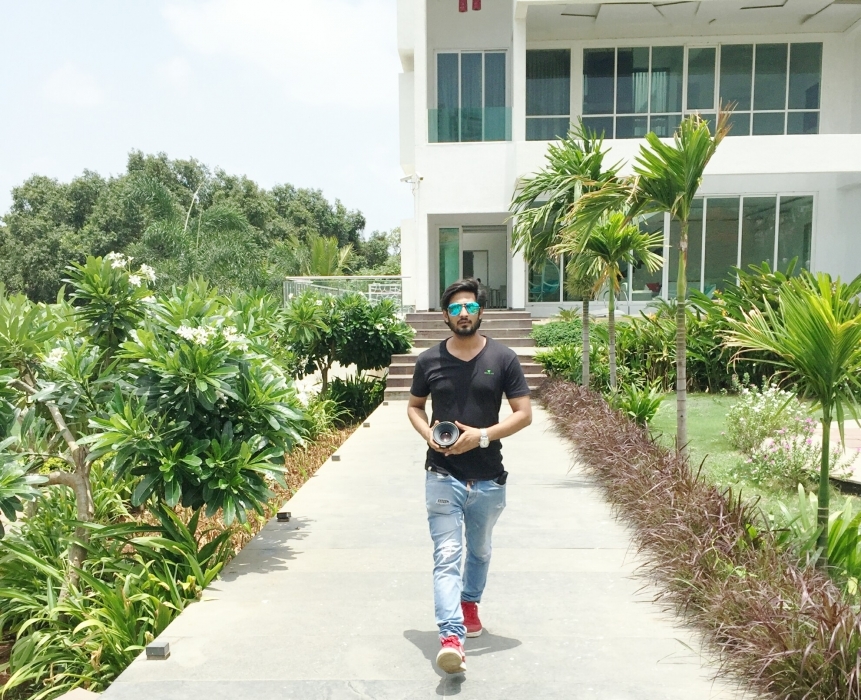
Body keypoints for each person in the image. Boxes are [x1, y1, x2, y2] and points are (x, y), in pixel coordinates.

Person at [407, 278, 532, 674]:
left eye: (471, 307)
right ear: (445, 316)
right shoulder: (428, 361)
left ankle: (469, 602)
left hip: (489, 477)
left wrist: (481, 436)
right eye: (456, 308)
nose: (464, 313)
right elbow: (414, 406)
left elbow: (524, 414)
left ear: (481, 312)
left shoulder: (504, 357)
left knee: (479, 551)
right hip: (442, 474)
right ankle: (450, 638)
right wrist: (428, 435)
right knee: (447, 556)